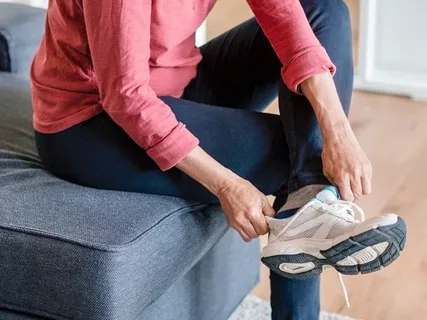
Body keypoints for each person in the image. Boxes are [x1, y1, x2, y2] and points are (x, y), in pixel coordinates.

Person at [31, 0, 406, 319]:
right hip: (90, 122)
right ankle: (307, 219)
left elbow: (282, 11)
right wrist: (226, 183)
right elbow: (126, 97)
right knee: (288, 154)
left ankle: (308, 204)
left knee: (320, 9)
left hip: (178, 84)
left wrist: (338, 130)